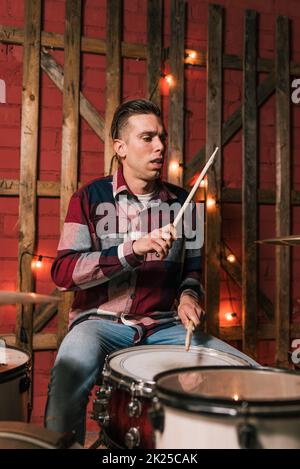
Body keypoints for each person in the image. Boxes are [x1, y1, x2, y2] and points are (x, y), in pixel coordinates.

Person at [44, 99, 257, 444]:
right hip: (99, 324)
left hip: (163, 325)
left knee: (250, 372)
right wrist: (132, 250)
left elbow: (192, 271)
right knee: (68, 373)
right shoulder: (88, 198)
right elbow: (64, 272)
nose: (159, 146)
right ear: (121, 148)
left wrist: (189, 297)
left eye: (161, 137)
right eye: (147, 138)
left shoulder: (184, 203)